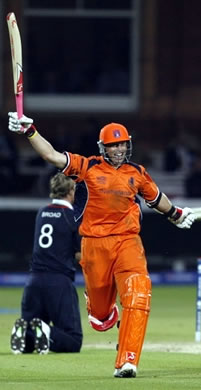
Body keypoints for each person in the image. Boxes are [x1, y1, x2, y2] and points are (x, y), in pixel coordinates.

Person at [8, 113, 195, 377]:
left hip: (128, 241)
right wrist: (30, 132)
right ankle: (101, 310)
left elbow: (157, 198)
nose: (119, 149)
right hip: (94, 246)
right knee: (100, 319)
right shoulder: (87, 167)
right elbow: (51, 155)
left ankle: (128, 361)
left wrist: (175, 214)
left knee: (138, 290)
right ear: (103, 147)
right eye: (113, 145)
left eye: (122, 144)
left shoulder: (138, 173)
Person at [10, 172, 83, 355]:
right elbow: (81, 255)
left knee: (33, 328)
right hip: (58, 282)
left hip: (33, 282)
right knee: (73, 339)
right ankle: (45, 331)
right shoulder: (72, 216)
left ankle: (26, 337)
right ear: (70, 191)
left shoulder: (42, 213)